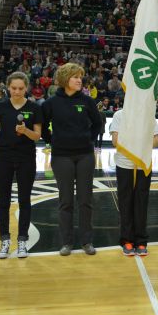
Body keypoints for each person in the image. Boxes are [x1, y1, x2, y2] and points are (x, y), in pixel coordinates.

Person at [41, 63, 102, 256]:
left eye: (80, 77)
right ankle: (66, 242)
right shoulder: (51, 103)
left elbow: (98, 124)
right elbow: (42, 127)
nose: (79, 80)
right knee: (65, 201)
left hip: (85, 155)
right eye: (75, 77)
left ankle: (86, 241)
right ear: (65, 78)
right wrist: (54, 141)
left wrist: (88, 140)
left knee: (85, 200)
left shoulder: (87, 101)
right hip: (61, 156)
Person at [0, 72, 43, 259]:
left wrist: (25, 130)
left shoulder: (35, 108)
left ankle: (22, 240)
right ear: (8, 87)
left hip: (26, 159)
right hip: (3, 158)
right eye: (13, 88)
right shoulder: (0, 107)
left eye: (20, 88)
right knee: (3, 201)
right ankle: (4, 240)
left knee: (24, 200)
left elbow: (37, 136)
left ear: (26, 88)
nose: (17, 91)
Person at [110, 108, 158, 256]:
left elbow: (156, 140)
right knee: (125, 202)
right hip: (124, 164)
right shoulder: (119, 115)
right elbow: (115, 141)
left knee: (141, 202)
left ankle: (141, 241)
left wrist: (132, 141)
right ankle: (127, 240)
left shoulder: (148, 115)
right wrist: (142, 142)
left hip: (143, 165)